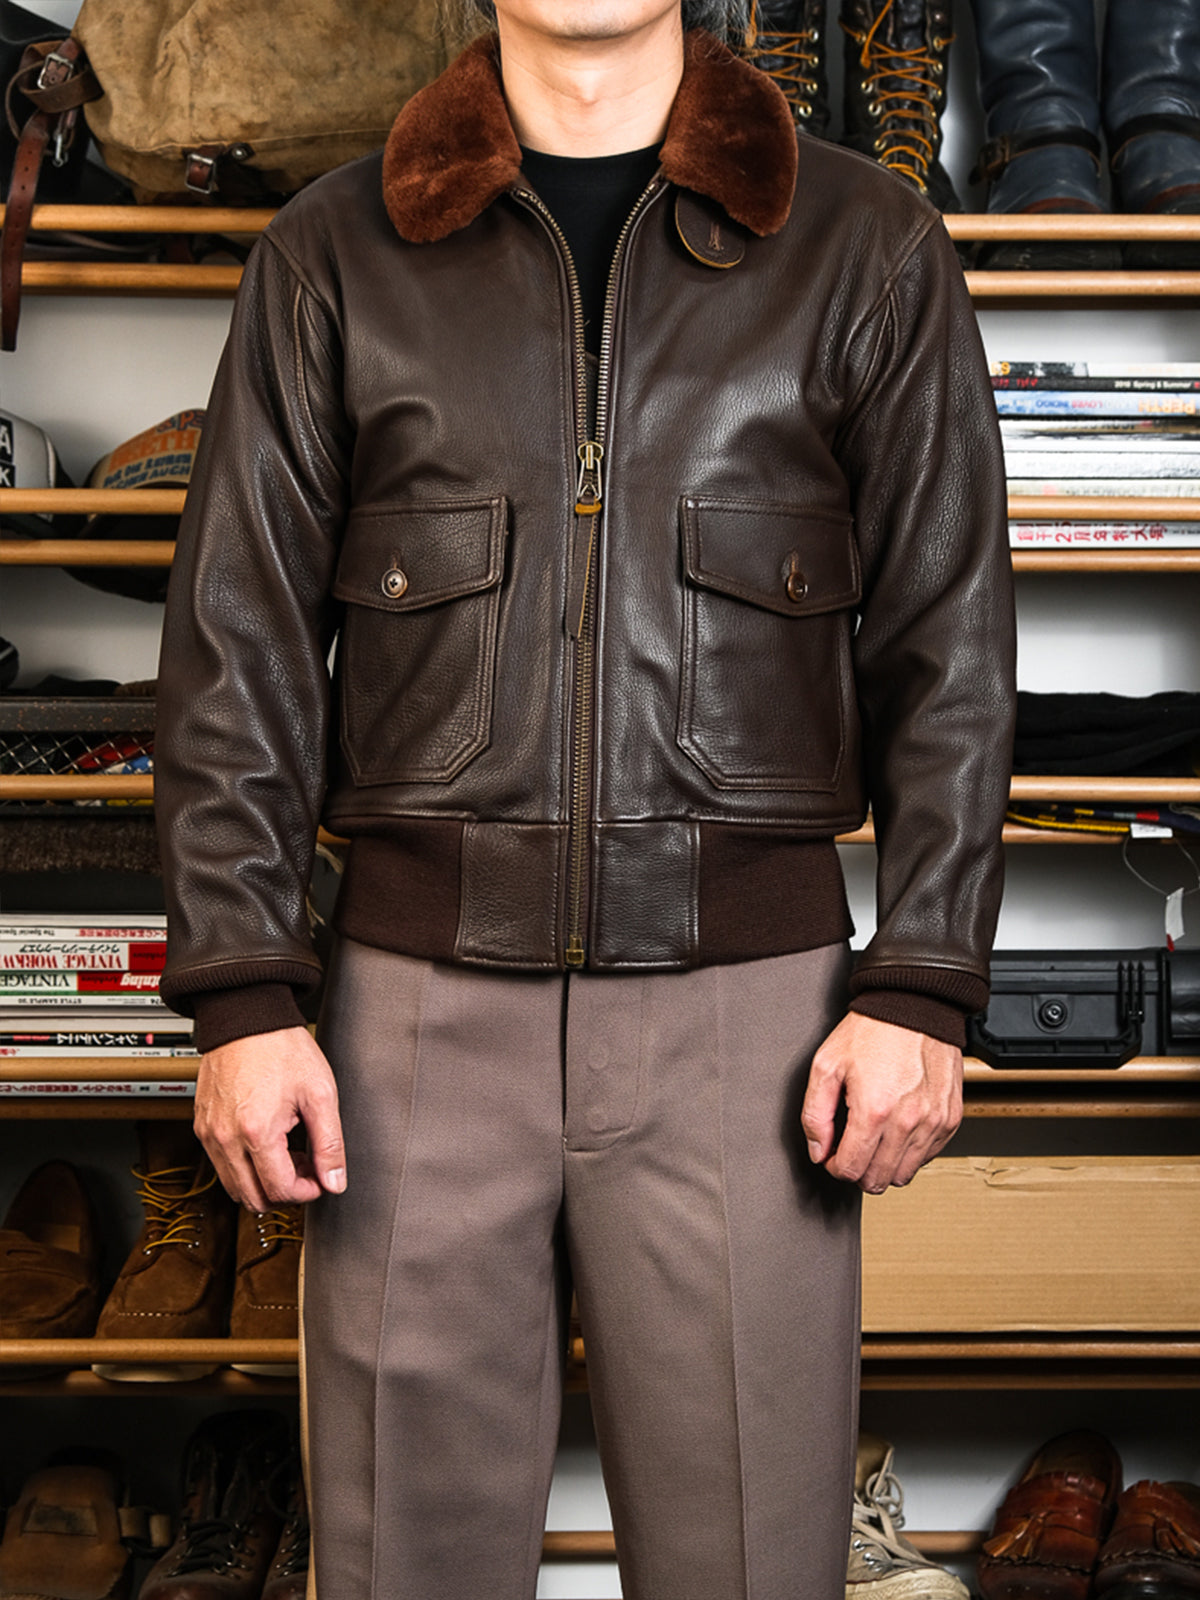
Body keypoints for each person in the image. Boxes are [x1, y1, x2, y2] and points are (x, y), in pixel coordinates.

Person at [154, 1, 1016, 1597]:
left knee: (751, 1562)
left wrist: (925, 982)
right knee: (402, 1562)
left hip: (752, 1028)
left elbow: (951, 649)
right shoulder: (330, 255)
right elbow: (236, 648)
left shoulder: (868, 247)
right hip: (408, 1025)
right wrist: (242, 997)